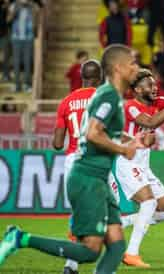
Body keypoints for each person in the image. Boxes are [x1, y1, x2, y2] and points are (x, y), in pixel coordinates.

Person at [0, 44, 143, 274]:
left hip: (89, 172)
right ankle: (20, 238)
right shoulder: (105, 95)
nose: (137, 67)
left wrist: (132, 140)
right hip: (89, 177)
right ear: (118, 68)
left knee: (116, 246)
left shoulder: (81, 99)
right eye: (132, 63)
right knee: (90, 250)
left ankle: (68, 263)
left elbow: (67, 139)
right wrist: (123, 149)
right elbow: (93, 132)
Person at [109, 69, 164, 268]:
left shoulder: (158, 102)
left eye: (154, 84)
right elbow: (150, 122)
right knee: (148, 203)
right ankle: (131, 253)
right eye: (149, 85)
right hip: (127, 162)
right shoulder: (130, 106)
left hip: (143, 166)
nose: (154, 87)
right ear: (138, 90)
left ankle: (122, 223)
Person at [53, 59, 103, 274]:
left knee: (78, 212)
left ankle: (71, 264)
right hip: (94, 160)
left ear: (81, 77)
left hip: (72, 160)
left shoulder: (66, 102)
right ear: (100, 78)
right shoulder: (103, 99)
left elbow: (56, 144)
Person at [8, 0, 39, 92]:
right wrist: (14, 12)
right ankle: (16, 84)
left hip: (28, 37)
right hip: (16, 37)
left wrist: (33, 11)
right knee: (16, 62)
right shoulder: (14, 5)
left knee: (27, 62)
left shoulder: (34, 6)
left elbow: (36, 21)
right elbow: (8, 20)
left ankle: (27, 84)